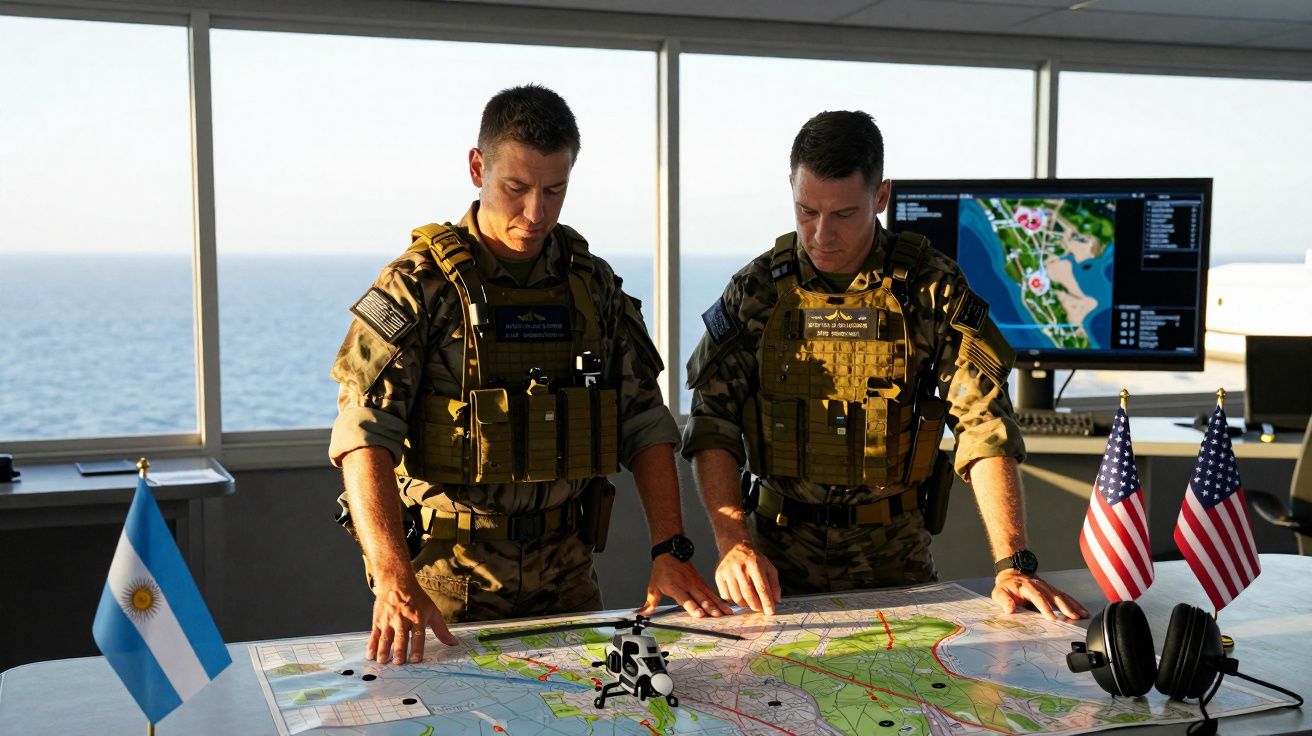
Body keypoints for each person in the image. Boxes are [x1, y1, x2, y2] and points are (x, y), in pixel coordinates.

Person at [330, 84, 729, 666]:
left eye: (555, 190)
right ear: (477, 167)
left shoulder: (592, 286)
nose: (536, 212)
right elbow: (365, 434)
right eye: (516, 188)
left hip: (567, 575)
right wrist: (392, 576)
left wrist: (670, 546)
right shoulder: (418, 288)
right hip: (445, 584)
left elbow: (646, 421)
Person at [682, 110, 1088, 622]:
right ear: (791, 186)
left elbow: (983, 424)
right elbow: (711, 421)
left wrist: (1013, 563)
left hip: (894, 560)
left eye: (844, 215)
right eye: (806, 211)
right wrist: (732, 541)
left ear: (881, 196)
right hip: (772, 564)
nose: (821, 235)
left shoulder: (930, 288)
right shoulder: (758, 289)